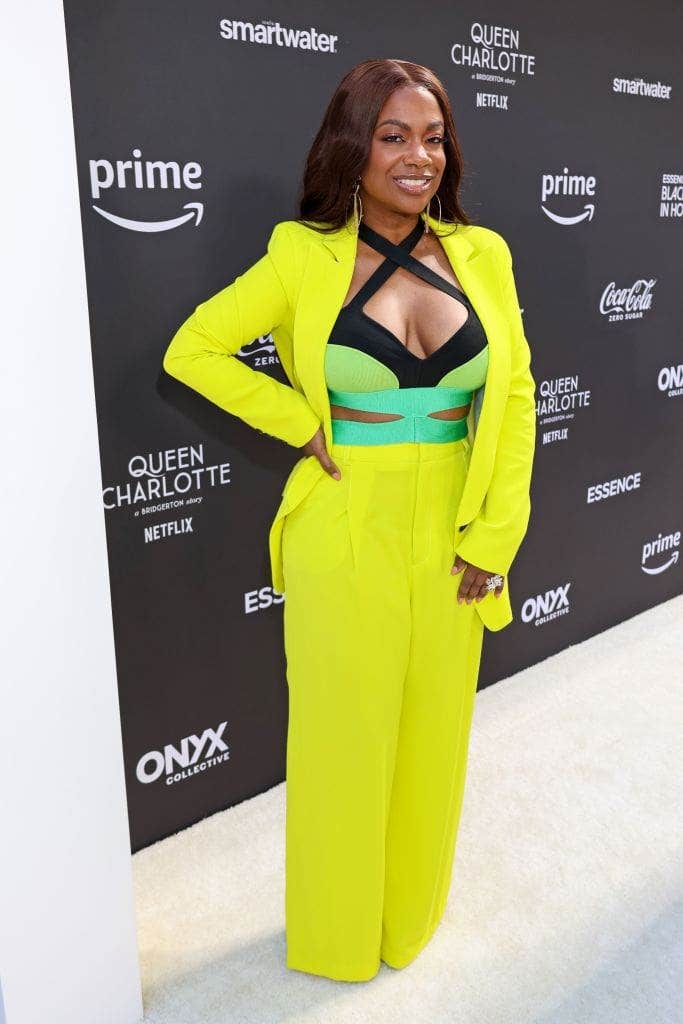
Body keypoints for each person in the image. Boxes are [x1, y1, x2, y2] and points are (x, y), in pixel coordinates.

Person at [163, 58, 536, 982]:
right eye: (393, 135)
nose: (418, 157)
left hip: (453, 525)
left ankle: (407, 923)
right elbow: (193, 349)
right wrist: (300, 422)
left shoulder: (482, 253)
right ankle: (335, 942)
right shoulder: (303, 254)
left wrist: (495, 538)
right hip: (342, 525)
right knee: (342, 745)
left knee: (433, 737)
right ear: (352, 146)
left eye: (433, 138)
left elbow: (515, 396)